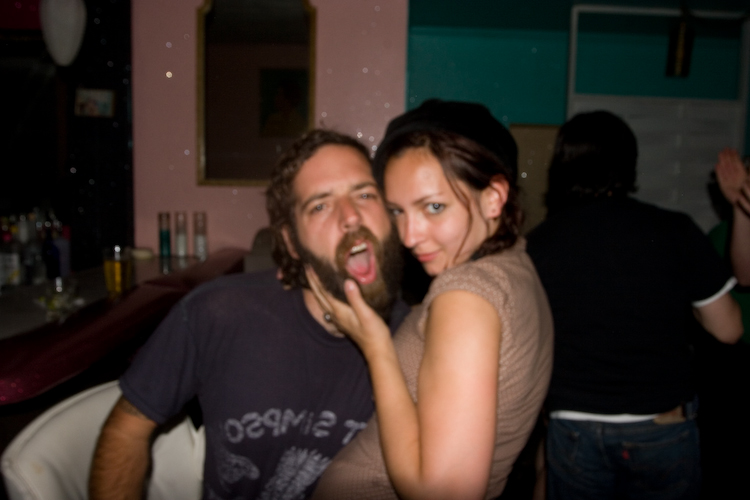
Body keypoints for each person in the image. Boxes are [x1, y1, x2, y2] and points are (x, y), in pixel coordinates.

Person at [88, 129, 410, 500]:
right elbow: (126, 430)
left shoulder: (421, 336)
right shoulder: (218, 313)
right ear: (291, 242)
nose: (351, 216)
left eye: (365, 194)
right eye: (320, 206)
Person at [310, 99, 554, 500]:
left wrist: (376, 346)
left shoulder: (464, 296)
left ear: (494, 197)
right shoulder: (515, 264)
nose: (409, 236)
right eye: (398, 212)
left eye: (434, 207)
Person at [525, 110, 743, 500]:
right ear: (630, 164)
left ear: (561, 165)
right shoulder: (675, 230)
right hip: (661, 424)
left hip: (574, 424)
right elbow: (729, 330)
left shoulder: (537, 244)